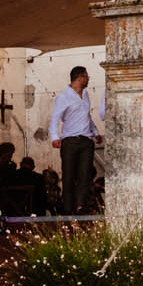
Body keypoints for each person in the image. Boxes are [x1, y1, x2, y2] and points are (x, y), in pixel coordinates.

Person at [49, 65, 101, 215]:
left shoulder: (86, 95)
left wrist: (95, 132)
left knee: (85, 174)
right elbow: (55, 118)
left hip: (86, 140)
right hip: (70, 141)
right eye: (87, 76)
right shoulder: (63, 97)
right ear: (79, 78)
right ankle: (68, 208)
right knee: (69, 175)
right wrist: (54, 137)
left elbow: (87, 117)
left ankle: (80, 205)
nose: (88, 79)